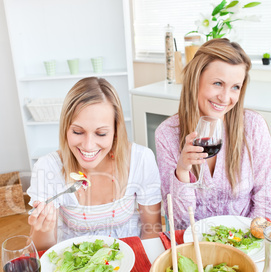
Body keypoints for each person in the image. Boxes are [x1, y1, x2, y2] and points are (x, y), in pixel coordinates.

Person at [28, 77, 162, 250]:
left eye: (101, 133)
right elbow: (40, 251)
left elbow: (152, 232)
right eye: (78, 131)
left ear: (115, 131)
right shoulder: (48, 168)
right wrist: (42, 229)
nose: (88, 145)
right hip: (74, 269)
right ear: (65, 129)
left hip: (131, 260)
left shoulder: (141, 159)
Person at [155, 38, 271, 230]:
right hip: (195, 249)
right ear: (195, 80)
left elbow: (266, 202)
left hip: (246, 243)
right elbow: (179, 222)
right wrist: (182, 170)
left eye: (235, 87)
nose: (226, 98)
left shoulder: (253, 127)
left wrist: (243, 245)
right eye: (218, 83)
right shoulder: (167, 134)